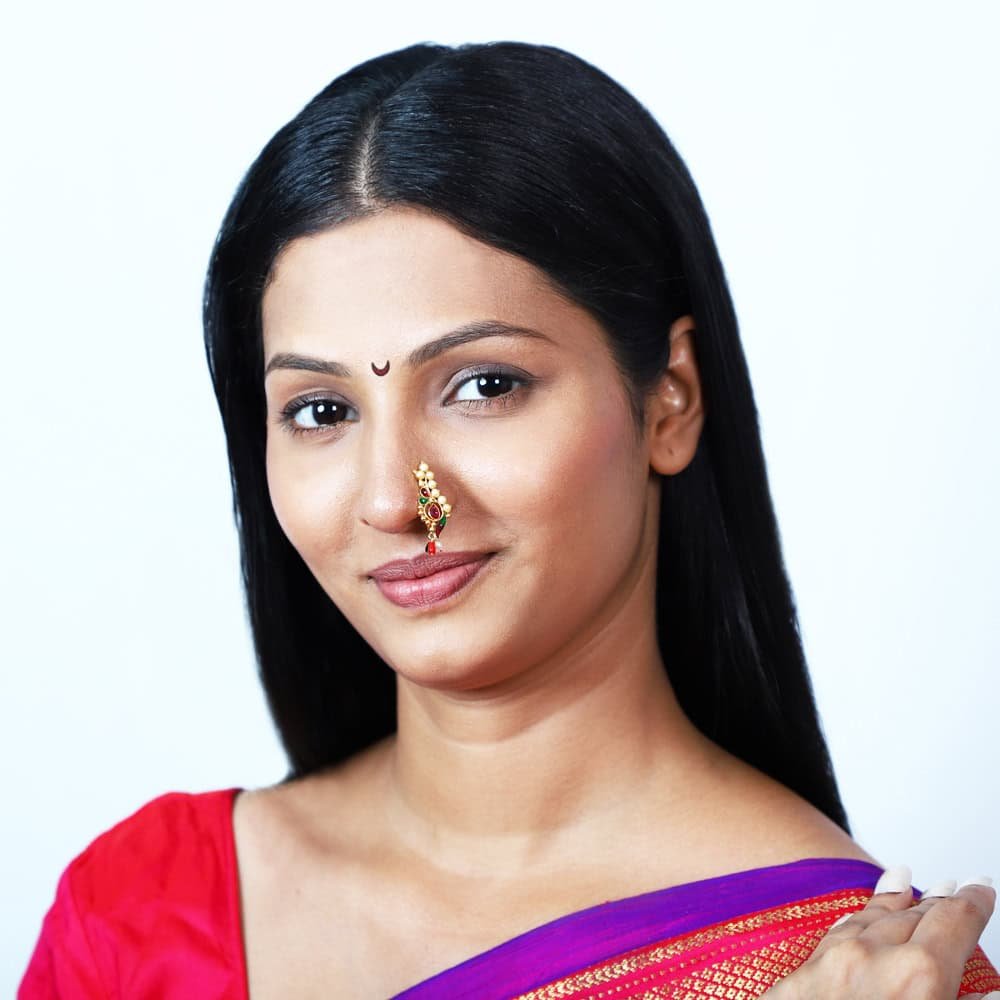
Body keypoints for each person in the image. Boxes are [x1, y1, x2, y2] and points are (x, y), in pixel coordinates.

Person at [19, 39, 999, 1000]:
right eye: (321, 410)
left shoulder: (868, 974)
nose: (393, 499)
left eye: (484, 386)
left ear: (671, 399)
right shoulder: (142, 914)